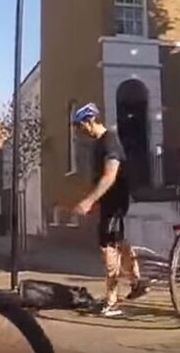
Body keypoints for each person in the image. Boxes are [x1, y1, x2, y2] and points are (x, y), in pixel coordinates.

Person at [70, 102, 147, 317]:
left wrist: (89, 201)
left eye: (80, 126)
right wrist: (95, 201)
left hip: (115, 200)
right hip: (110, 202)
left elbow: (110, 175)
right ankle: (138, 283)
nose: (79, 131)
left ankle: (112, 301)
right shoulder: (99, 143)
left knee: (108, 248)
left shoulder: (110, 141)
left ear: (90, 120)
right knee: (118, 243)